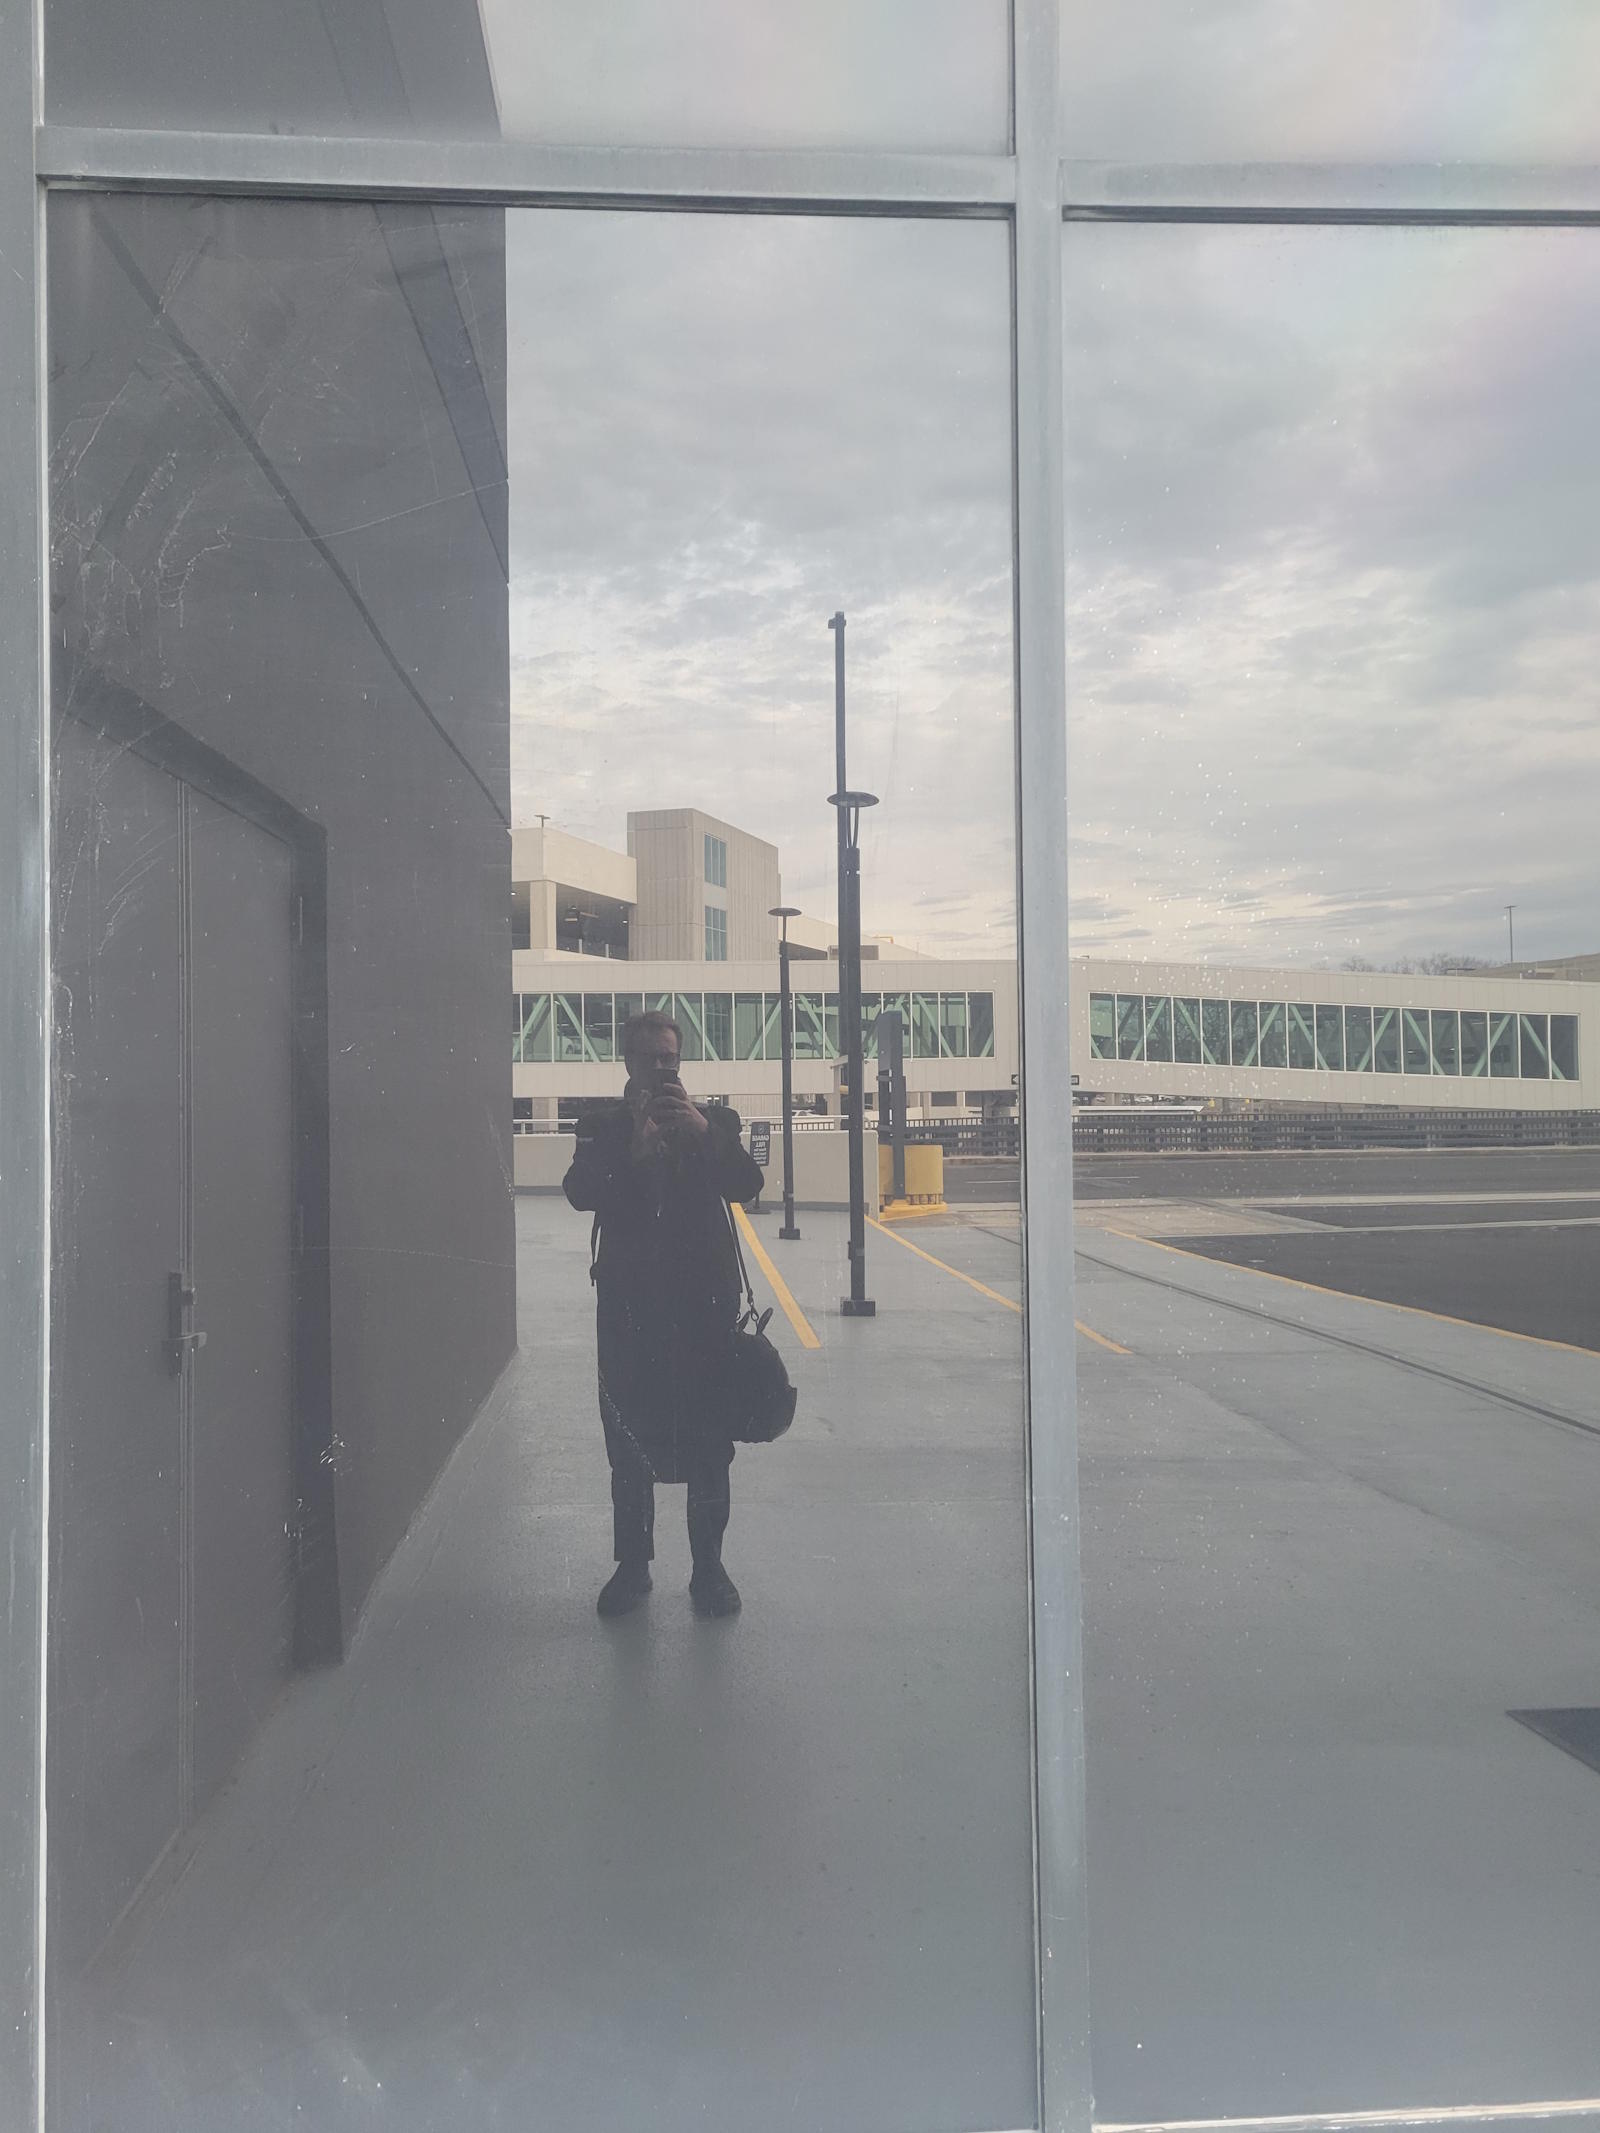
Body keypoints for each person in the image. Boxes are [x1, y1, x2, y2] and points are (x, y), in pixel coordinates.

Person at [563, 1010, 763, 1620]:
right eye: (650, 1058)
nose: (661, 1068)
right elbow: (579, 1193)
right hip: (630, 1312)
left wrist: (703, 1130)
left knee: (710, 1445)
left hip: (704, 1311)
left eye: (670, 1059)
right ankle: (634, 1568)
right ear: (628, 1062)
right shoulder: (600, 1127)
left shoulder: (718, 1122)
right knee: (629, 1446)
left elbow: (747, 1184)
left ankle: (709, 1568)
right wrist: (634, 1151)